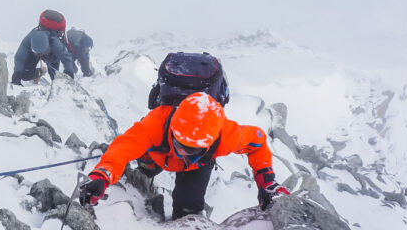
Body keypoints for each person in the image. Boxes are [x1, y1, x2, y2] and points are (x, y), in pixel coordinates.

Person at [78, 92, 289, 219]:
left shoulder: (225, 136)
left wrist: (267, 182)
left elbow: (258, 142)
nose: (181, 150)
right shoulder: (157, 122)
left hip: (195, 167)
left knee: (189, 208)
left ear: (209, 144)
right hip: (158, 154)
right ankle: (147, 173)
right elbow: (124, 146)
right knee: (146, 168)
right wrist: (102, 175)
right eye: (178, 142)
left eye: (190, 148)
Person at [11, 10, 77, 85]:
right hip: (34, 54)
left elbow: (66, 59)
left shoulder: (55, 42)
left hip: (51, 54)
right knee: (25, 76)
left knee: (55, 78)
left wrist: (69, 73)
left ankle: (54, 80)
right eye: (37, 52)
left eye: (42, 52)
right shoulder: (29, 39)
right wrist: (16, 74)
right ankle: (41, 71)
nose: (40, 54)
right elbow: (19, 57)